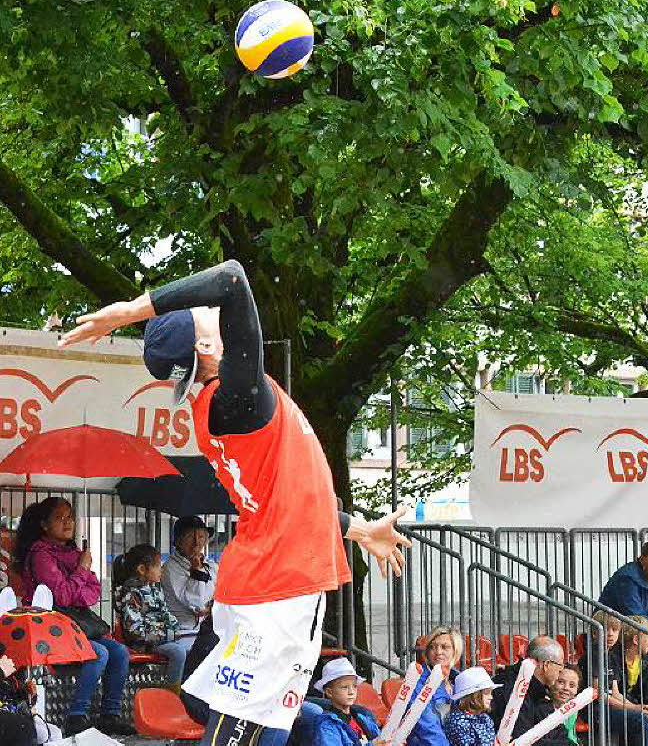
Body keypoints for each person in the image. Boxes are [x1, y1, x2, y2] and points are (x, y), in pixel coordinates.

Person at [60, 260, 411, 744]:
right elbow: (233, 279)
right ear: (205, 347)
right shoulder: (236, 395)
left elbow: (288, 506)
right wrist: (128, 312)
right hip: (276, 590)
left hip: (269, 580)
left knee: (266, 723)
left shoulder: (230, 409)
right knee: (240, 726)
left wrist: (356, 528)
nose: (213, 312)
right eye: (204, 317)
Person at [12, 497, 134, 736]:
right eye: (60, 517)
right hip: (50, 627)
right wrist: (82, 570)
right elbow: (65, 596)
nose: (68, 522)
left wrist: (78, 579)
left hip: (75, 625)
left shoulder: (75, 553)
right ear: (45, 525)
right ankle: (76, 716)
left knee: (120, 652)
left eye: (69, 517)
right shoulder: (41, 556)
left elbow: (92, 593)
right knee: (98, 653)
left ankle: (110, 714)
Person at [112, 543, 189, 684]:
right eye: (157, 566)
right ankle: (172, 694)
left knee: (190, 648)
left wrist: (173, 628)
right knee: (178, 652)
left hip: (162, 637)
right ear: (142, 569)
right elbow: (135, 631)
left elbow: (166, 615)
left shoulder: (155, 590)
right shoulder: (131, 594)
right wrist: (167, 633)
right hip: (143, 643)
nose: (161, 570)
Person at [491, 636, 570, 746]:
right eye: (560, 665)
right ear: (546, 665)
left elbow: (560, 732)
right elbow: (520, 738)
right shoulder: (512, 688)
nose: (561, 670)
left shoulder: (540, 690)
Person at [606, 617, 648, 746]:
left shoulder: (644, 660)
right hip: (613, 707)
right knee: (644, 721)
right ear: (636, 640)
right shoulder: (614, 657)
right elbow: (613, 694)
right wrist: (637, 708)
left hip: (630, 704)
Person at [307, 658, 388, 746]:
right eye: (345, 687)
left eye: (354, 686)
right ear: (329, 692)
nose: (351, 692)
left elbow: (380, 737)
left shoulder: (361, 718)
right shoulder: (327, 726)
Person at [161, 515, 218, 641]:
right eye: (190, 537)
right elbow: (196, 605)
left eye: (201, 537)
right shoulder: (170, 568)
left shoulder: (211, 566)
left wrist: (214, 607)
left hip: (209, 631)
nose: (197, 542)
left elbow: (223, 596)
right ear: (178, 542)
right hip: (182, 633)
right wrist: (197, 571)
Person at [406, 627, 462, 746]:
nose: (438, 652)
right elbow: (428, 730)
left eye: (445, 647)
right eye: (432, 647)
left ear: (455, 652)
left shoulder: (460, 680)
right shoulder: (419, 682)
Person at [598, 541, 648, 620]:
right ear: (642, 559)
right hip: (611, 629)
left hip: (641, 627)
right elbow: (636, 618)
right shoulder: (627, 578)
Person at [443, 667, 501, 746]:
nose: (491, 697)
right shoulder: (458, 722)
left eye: (491, 693)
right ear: (474, 696)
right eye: (487, 693)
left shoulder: (485, 718)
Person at [551, 665, 582, 745]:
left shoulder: (573, 708)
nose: (566, 688)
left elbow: (571, 736)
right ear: (552, 682)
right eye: (561, 682)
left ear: (576, 690)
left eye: (572, 685)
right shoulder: (541, 708)